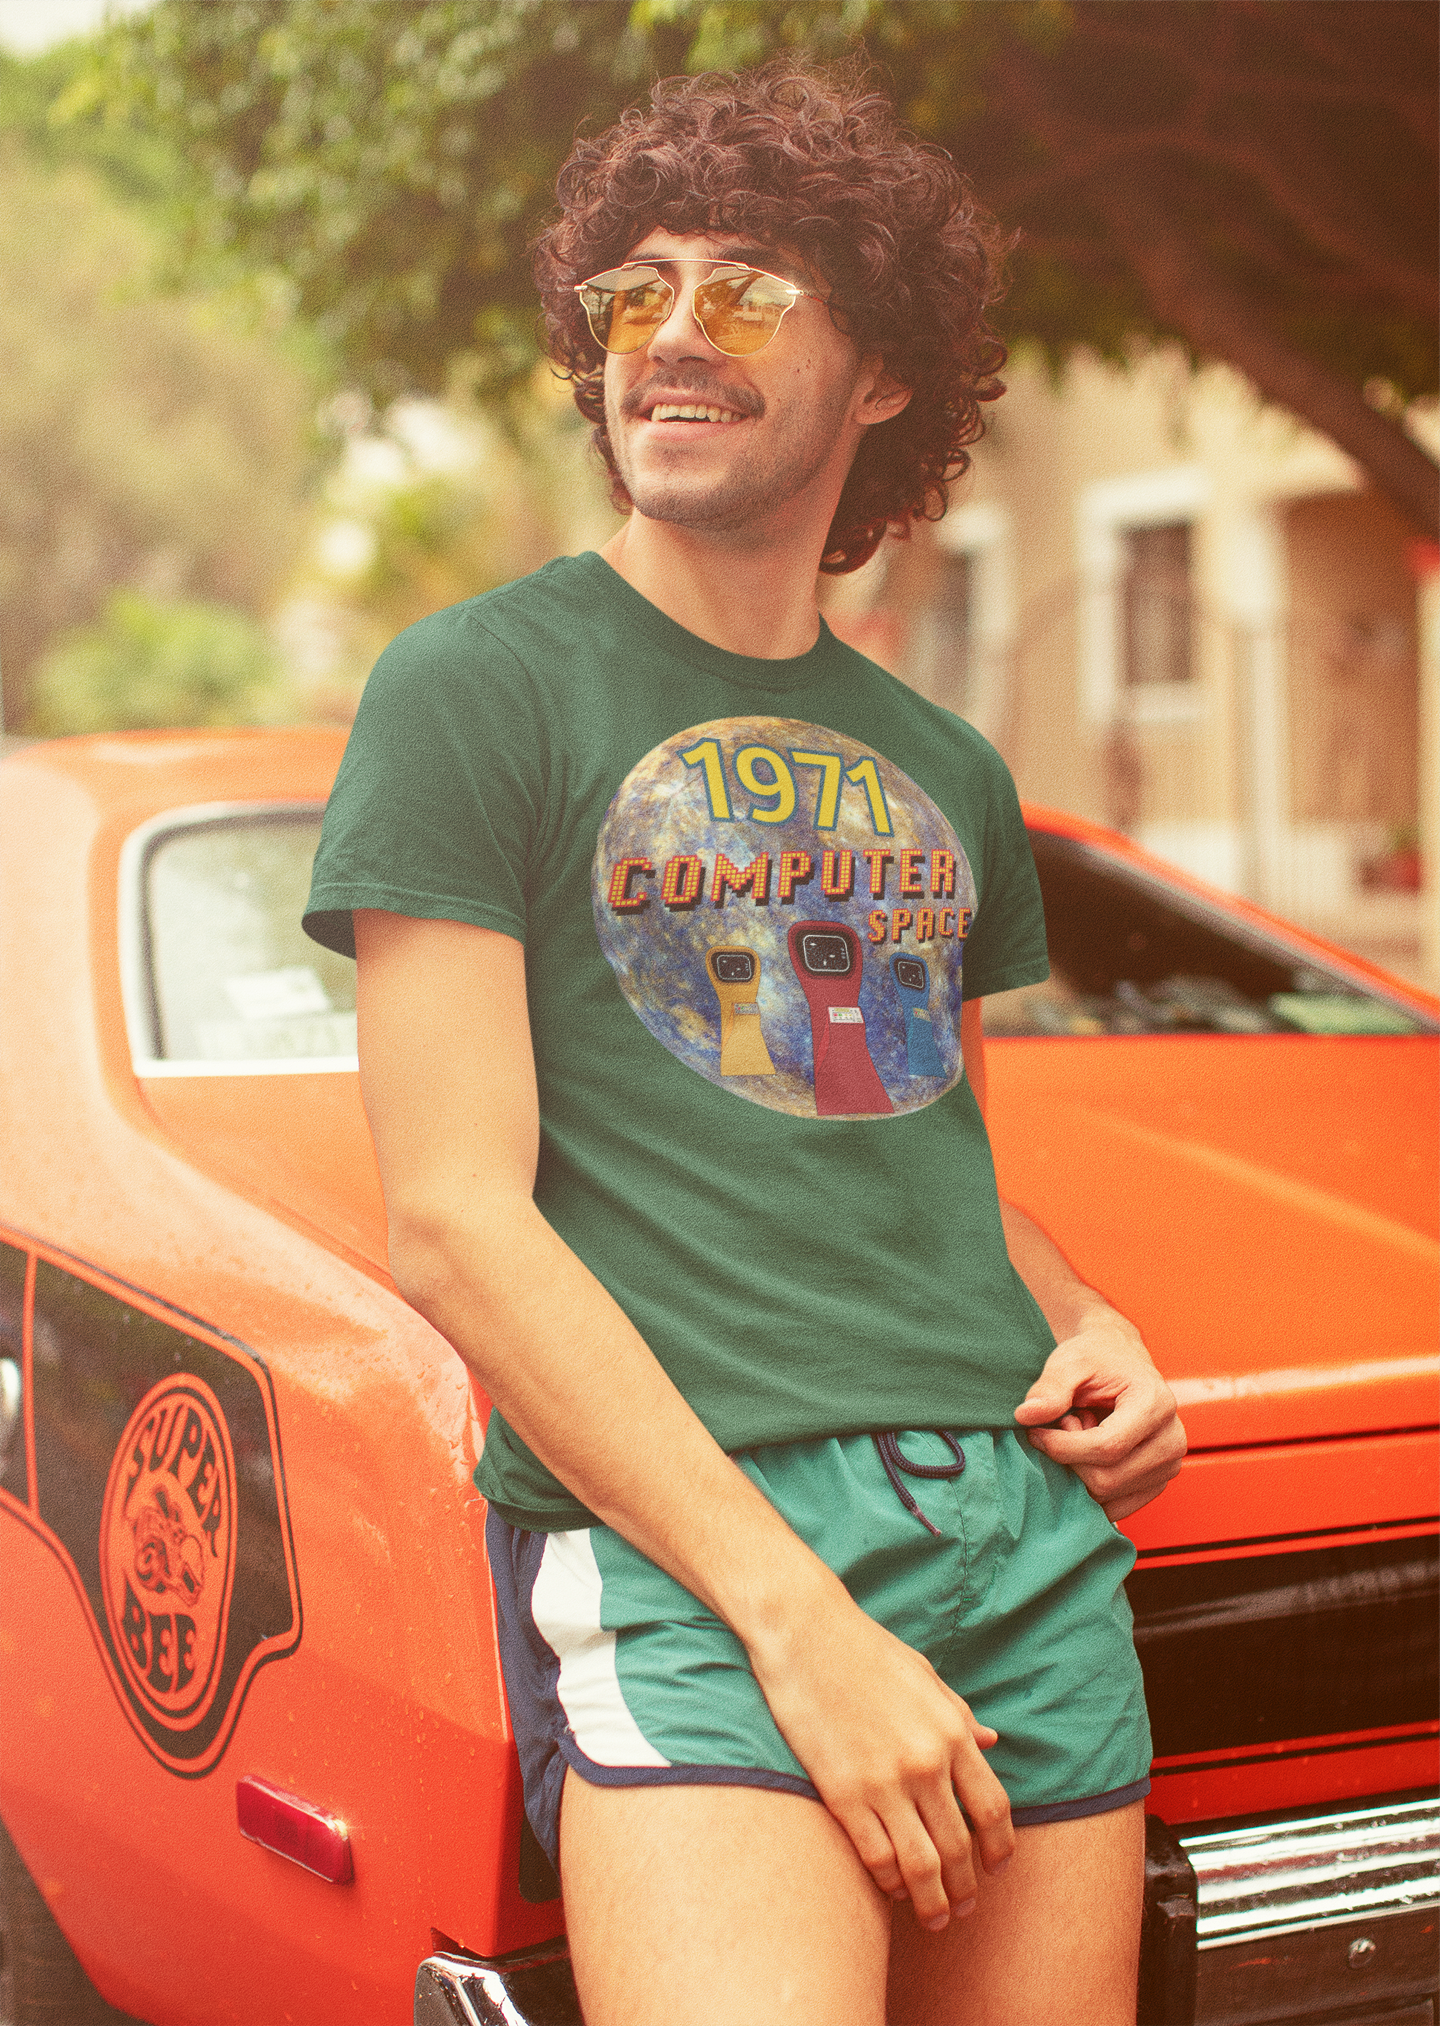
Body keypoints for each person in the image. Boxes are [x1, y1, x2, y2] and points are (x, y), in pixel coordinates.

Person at [304, 58, 1186, 2026]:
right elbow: (452, 1217)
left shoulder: (946, 763)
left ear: (884, 375)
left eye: (750, 288)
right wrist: (798, 1618)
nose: (673, 338)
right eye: (637, 293)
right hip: (699, 1552)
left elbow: (922, 1151)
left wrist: (1089, 1317)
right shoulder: (474, 688)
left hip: (1024, 1539)